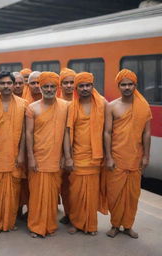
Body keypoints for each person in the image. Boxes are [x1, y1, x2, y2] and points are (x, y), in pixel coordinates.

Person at [104, 69, 151, 239]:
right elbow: (107, 133)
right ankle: (115, 225)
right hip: (117, 158)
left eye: (130, 84)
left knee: (132, 195)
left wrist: (146, 156)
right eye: (123, 84)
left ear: (135, 85)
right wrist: (108, 157)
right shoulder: (112, 106)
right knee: (115, 194)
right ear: (118, 86)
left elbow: (146, 133)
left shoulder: (143, 106)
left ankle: (128, 226)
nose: (127, 87)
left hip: (135, 157)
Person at [0, 71, 27, 237]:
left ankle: (9, 221)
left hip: (15, 155)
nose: (7, 86)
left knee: (13, 191)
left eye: (9, 83)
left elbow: (25, 133)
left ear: (14, 85)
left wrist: (22, 154)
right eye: (3, 83)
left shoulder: (23, 104)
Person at [26, 72, 68, 238]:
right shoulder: (32, 108)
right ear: (40, 88)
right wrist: (30, 157)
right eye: (45, 87)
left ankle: (49, 224)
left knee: (51, 195)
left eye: (52, 86)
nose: (49, 89)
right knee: (37, 195)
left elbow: (66, 133)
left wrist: (66, 156)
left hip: (56, 158)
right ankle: (36, 226)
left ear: (57, 88)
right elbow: (28, 134)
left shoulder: (65, 106)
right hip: (38, 157)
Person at [64, 72, 106, 236]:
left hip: (95, 157)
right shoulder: (72, 106)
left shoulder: (102, 104)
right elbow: (67, 132)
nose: (85, 88)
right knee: (76, 194)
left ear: (92, 86)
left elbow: (108, 132)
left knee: (91, 194)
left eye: (88, 85)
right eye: (81, 86)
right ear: (76, 88)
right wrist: (68, 157)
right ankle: (76, 222)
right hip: (78, 156)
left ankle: (90, 224)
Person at [18, 71, 41, 220]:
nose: (37, 86)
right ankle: (18, 208)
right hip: (22, 150)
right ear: (28, 85)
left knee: (38, 185)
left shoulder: (53, 100)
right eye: (33, 83)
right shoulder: (24, 102)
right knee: (21, 182)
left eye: (39, 82)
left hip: (42, 151)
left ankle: (34, 212)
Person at [57, 68, 76, 225]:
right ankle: (69, 213)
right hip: (57, 152)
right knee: (64, 186)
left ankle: (77, 215)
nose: (69, 86)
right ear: (60, 85)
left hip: (79, 152)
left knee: (76, 187)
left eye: (72, 82)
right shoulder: (55, 103)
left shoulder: (82, 102)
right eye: (66, 82)